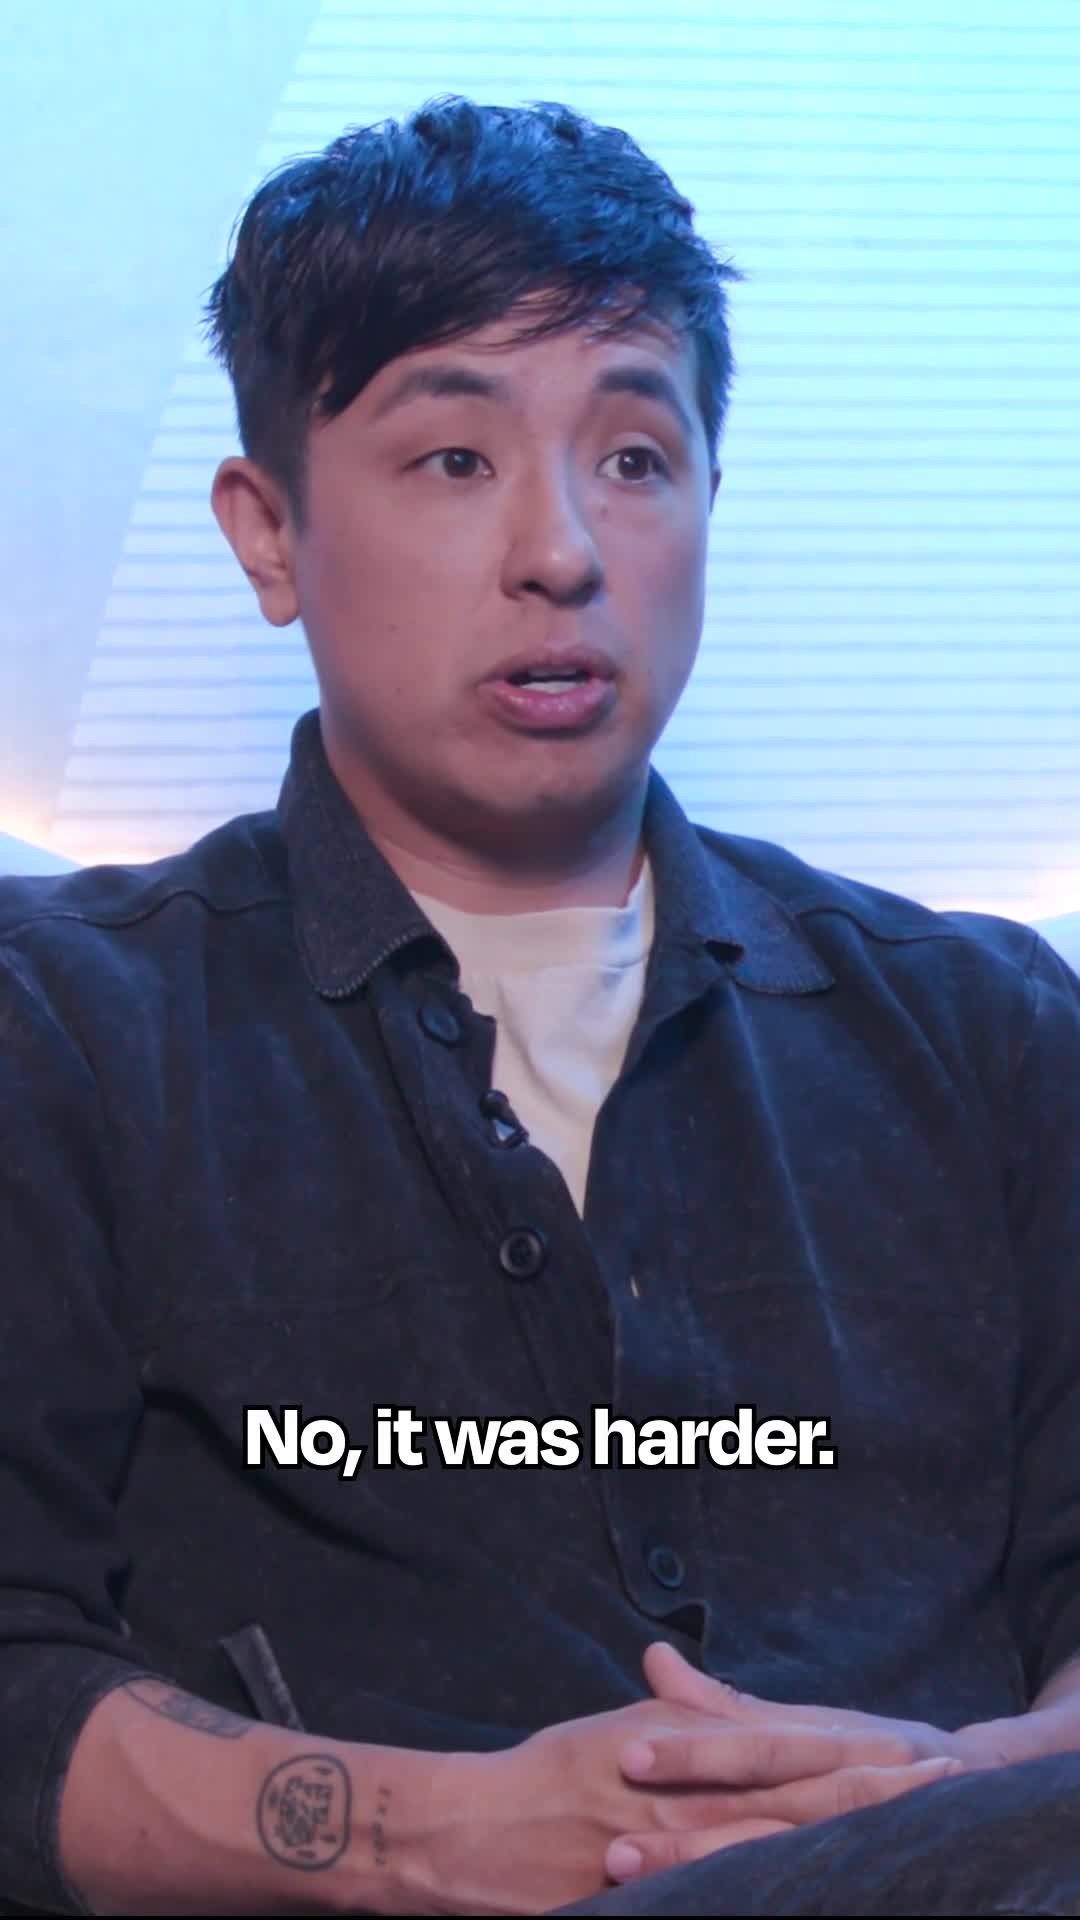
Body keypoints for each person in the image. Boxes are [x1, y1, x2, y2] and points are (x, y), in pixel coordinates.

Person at [2, 92, 1080, 1920]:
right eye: (453, 459)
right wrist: (438, 1836)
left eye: (638, 458)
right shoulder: (64, 1028)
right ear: (269, 535)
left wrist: (918, 1810)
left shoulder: (989, 1031)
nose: (563, 550)